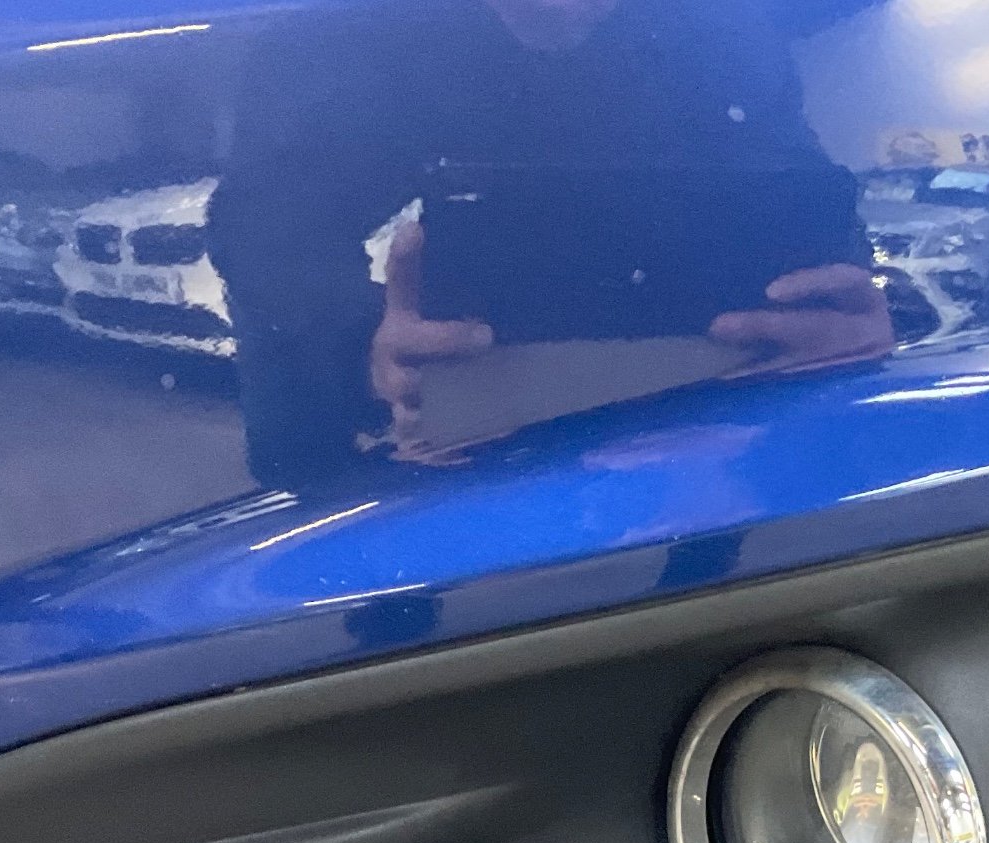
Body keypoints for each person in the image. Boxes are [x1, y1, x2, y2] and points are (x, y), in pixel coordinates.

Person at [208, 0, 889, 486]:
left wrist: (854, 322)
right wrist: (364, 351)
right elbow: (264, 248)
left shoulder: (722, 28)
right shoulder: (331, 44)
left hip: (733, 465)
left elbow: (808, 209)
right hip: (412, 494)